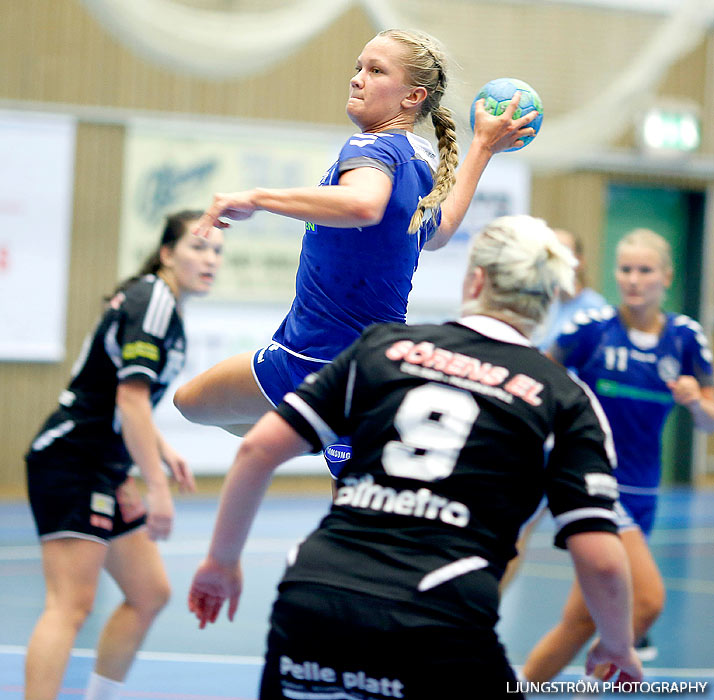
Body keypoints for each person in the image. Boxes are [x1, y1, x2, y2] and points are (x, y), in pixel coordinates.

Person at [187, 215, 643, 700]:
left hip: (314, 598)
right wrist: (618, 645)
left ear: (476, 280)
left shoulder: (384, 347)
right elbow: (603, 562)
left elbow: (257, 449)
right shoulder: (564, 399)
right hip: (439, 621)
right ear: (551, 299)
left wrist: (221, 562)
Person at [173, 28, 538, 476]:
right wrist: (481, 147)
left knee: (189, 403)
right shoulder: (416, 158)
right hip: (367, 362)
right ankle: (319, 430)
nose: (357, 78)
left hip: (315, 357)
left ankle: (315, 428)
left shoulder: (374, 146)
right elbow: (438, 232)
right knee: (350, 509)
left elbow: (363, 205)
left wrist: (257, 198)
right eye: (358, 67)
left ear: (412, 97)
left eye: (376, 70)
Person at [23, 210, 223, 700]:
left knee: (149, 592)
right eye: (199, 247)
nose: (210, 259)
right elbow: (129, 400)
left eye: (218, 251)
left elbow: (122, 397)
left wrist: (160, 446)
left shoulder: (164, 309)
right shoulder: (153, 300)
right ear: (166, 254)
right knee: (70, 604)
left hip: (102, 464)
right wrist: (156, 487)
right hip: (72, 459)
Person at [522, 227, 714, 682]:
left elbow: (710, 419)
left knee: (585, 617)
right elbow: (536, 382)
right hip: (593, 481)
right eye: (625, 269)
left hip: (644, 490)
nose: (633, 279)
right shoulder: (590, 332)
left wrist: (693, 401)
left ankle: (529, 688)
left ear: (666, 277)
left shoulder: (685, 339)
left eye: (645, 270)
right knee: (645, 601)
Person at [499, 227, 606, 590]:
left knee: (594, 538)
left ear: (579, 260)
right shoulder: (531, 305)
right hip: (529, 431)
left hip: (570, 437)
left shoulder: (594, 313)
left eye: (564, 249)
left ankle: (623, 613)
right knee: (513, 530)